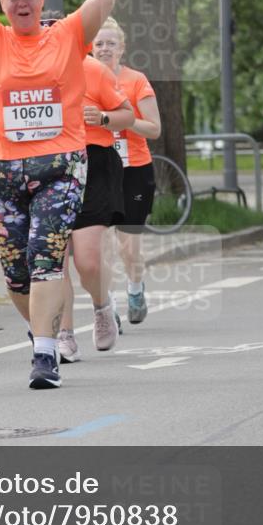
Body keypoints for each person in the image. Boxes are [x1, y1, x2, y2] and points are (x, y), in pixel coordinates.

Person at [0, 0, 148, 389]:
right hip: (5, 171)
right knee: (16, 274)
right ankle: (39, 332)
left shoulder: (66, 37)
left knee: (46, 257)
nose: (22, 2)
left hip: (61, 167)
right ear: (3, 3)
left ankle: (45, 354)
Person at [58, 47, 135, 362]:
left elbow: (127, 115)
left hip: (93, 163)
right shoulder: (29, 72)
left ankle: (102, 305)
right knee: (53, 262)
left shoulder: (93, 69)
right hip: (49, 167)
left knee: (87, 262)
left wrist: (103, 118)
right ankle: (63, 334)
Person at [92, 16, 162, 324]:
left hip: (134, 169)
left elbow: (154, 129)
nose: (105, 49)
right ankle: (106, 307)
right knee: (97, 245)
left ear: (122, 48)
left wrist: (123, 118)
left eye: (110, 43)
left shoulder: (136, 81)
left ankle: (135, 289)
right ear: (90, 48)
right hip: (97, 169)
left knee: (128, 246)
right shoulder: (82, 78)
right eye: (99, 44)